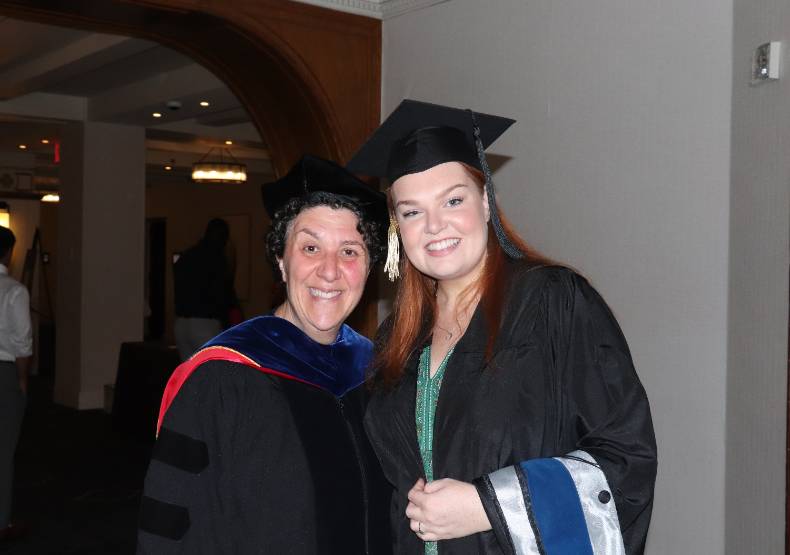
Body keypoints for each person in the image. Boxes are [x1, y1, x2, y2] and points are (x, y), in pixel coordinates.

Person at [348, 100, 657, 554]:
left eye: (453, 200)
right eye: (412, 211)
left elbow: (627, 458)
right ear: (398, 228)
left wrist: (487, 504)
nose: (435, 225)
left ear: (486, 201)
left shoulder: (554, 302)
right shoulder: (396, 339)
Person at [137, 155, 392, 554]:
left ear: (368, 266)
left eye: (349, 251)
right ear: (281, 260)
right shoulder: (221, 379)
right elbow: (170, 525)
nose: (330, 271)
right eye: (310, 247)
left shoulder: (376, 373)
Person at [0, 226, 32, 542]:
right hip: (3, 372)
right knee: (3, 450)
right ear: (9, 253)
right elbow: (22, 343)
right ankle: (1, 521)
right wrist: (23, 379)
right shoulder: (14, 290)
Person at [173, 218, 240, 361]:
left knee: (189, 375)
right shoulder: (218, 259)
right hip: (205, 324)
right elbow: (223, 295)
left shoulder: (186, 256)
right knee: (214, 372)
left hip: (181, 324)